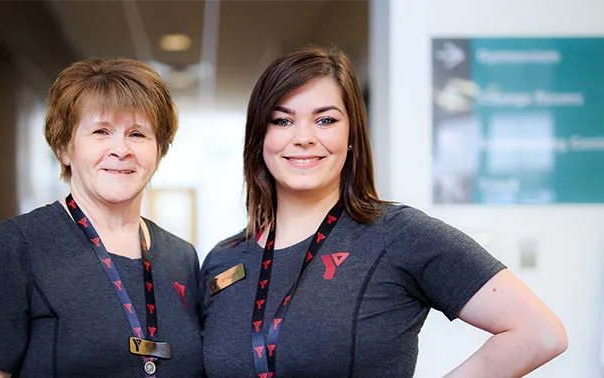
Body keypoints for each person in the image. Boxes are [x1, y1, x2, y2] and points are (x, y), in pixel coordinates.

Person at [199, 46, 567, 377]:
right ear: (259, 137)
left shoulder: (397, 234)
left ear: (352, 136)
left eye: (325, 120)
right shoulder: (223, 259)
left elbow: (539, 333)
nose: (303, 137)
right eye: (282, 120)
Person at [0, 58, 204, 377]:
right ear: (64, 149)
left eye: (137, 134)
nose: (120, 149)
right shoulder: (16, 247)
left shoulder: (182, 258)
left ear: (159, 150)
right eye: (101, 131)